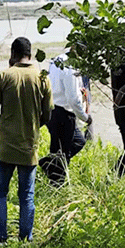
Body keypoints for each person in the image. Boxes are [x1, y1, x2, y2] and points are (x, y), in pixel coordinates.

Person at [0, 37, 53, 243]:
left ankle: (0, 237)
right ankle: (25, 238)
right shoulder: (42, 77)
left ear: (13, 54)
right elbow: (48, 114)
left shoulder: (3, 75)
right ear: (31, 54)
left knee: (0, 193)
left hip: (5, 146)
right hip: (29, 146)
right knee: (26, 195)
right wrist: (33, 126)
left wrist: (4, 127)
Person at [42, 52, 93, 185]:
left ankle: (48, 166)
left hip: (52, 110)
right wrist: (85, 118)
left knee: (75, 142)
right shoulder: (71, 66)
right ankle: (55, 183)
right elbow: (73, 99)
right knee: (62, 153)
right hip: (63, 114)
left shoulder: (56, 60)